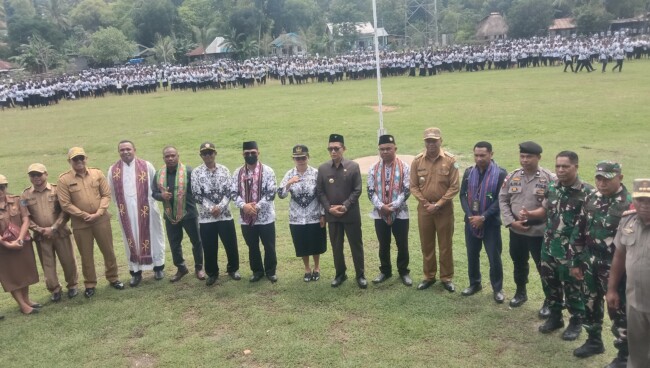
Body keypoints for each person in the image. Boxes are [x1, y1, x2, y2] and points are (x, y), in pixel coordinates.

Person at [521, 151, 592, 340]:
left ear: (575, 167)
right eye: (558, 166)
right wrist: (530, 214)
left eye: (565, 166)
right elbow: (545, 209)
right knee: (549, 284)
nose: (560, 170)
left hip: (572, 252)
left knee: (573, 288)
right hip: (550, 246)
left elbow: (589, 227)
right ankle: (555, 317)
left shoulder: (587, 192)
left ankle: (576, 321)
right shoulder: (553, 186)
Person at [569, 161, 631, 365]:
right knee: (590, 302)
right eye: (598, 178)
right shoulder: (591, 197)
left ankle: (624, 355)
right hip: (589, 261)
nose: (602, 183)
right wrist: (576, 261)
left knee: (617, 309)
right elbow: (579, 228)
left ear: (620, 178)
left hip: (615, 266)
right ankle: (594, 341)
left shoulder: (628, 204)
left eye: (607, 178)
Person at [57, 147, 124, 298]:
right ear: (70, 161)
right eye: (75, 159)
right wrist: (83, 215)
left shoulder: (97, 173)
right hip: (81, 223)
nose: (79, 161)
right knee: (86, 254)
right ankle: (90, 283)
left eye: (81, 158)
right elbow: (65, 204)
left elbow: (106, 194)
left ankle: (113, 278)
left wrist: (99, 212)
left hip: (101, 219)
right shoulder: (64, 180)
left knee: (108, 250)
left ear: (86, 158)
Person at [498, 141, 555, 315]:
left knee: (543, 267)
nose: (525, 160)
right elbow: (503, 199)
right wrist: (510, 222)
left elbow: (550, 206)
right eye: (522, 156)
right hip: (516, 230)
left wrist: (532, 216)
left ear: (538, 157)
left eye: (529, 157)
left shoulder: (548, 178)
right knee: (519, 262)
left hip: (538, 232)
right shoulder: (513, 176)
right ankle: (520, 292)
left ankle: (549, 300)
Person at [108, 140, 166, 287]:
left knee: (154, 236)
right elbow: (112, 193)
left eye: (128, 149)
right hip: (126, 211)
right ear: (118, 152)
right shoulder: (113, 170)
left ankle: (158, 267)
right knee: (131, 239)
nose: (125, 152)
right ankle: (135, 271)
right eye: (122, 150)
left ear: (134, 149)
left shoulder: (146, 166)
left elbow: (155, 187)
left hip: (147, 208)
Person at [410, 127, 459, 292]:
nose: (431, 144)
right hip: (424, 209)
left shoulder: (450, 161)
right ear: (424, 142)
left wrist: (438, 204)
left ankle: (446, 277)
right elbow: (413, 186)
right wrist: (425, 203)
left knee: (445, 245)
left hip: (444, 210)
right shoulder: (417, 161)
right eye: (428, 141)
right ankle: (428, 276)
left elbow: (454, 186)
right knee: (427, 244)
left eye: (434, 140)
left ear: (440, 141)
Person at [607, 178, 650, 368]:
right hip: (635, 301)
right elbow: (619, 256)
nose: (645, 205)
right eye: (641, 199)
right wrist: (612, 289)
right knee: (637, 351)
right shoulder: (628, 221)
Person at [21, 163, 79, 301]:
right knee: (48, 264)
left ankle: (72, 285)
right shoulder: (25, 195)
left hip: (60, 232)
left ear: (46, 174)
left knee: (68, 260)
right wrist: (40, 229)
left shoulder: (57, 190)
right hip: (41, 236)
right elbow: (25, 217)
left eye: (39, 174)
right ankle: (55, 290)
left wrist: (54, 227)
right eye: (33, 175)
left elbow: (66, 211)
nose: (36, 178)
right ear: (30, 177)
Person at [316, 134, 366, 289]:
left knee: (355, 245)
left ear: (343, 149)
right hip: (333, 216)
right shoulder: (323, 169)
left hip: (350, 214)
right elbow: (320, 191)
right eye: (330, 148)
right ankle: (340, 273)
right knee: (336, 246)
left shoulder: (353, 166)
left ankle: (360, 275)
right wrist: (329, 208)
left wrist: (345, 206)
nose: (333, 151)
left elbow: (357, 190)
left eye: (336, 148)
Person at [459, 141, 507, 302]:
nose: (479, 158)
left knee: (494, 257)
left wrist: (483, 217)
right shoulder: (468, 172)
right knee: (472, 254)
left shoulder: (500, 174)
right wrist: (470, 215)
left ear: (491, 154)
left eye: (483, 155)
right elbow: (463, 195)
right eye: (476, 155)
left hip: (491, 223)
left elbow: (501, 199)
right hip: (471, 221)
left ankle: (497, 289)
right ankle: (474, 283)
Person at [190, 142, 241, 286]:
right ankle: (212, 273)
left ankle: (233, 269)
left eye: (210, 152)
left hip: (225, 215)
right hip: (207, 218)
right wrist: (211, 208)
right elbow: (196, 194)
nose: (208, 156)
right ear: (201, 155)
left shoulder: (224, 170)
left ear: (215, 153)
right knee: (209, 247)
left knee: (230, 244)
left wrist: (220, 206)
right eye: (204, 153)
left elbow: (229, 191)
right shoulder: (196, 172)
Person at [152, 146, 205, 282]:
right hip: (170, 216)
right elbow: (154, 193)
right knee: (175, 244)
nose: (170, 158)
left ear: (178, 156)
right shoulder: (159, 174)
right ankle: (181, 268)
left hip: (189, 214)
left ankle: (199, 267)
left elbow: (197, 190)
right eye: (167, 156)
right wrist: (162, 195)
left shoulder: (188, 171)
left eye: (173, 155)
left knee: (196, 241)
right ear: (163, 158)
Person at [367, 135, 412, 287]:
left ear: (395, 149)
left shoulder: (404, 167)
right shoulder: (373, 168)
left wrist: (392, 206)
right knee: (383, 243)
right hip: (380, 214)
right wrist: (381, 206)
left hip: (400, 213)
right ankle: (385, 271)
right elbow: (370, 191)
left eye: (388, 149)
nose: (385, 152)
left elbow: (407, 190)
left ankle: (404, 271)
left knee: (402, 243)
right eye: (382, 149)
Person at [278, 144, 327, 282]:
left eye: (303, 157)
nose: (300, 160)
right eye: (297, 158)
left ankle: (316, 267)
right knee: (302, 244)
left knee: (315, 243)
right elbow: (281, 194)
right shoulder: (289, 174)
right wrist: (288, 183)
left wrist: (323, 214)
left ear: (308, 157)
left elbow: (322, 195)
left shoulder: (316, 173)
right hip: (297, 217)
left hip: (314, 215)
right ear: (293, 159)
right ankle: (306, 268)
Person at [231, 141, 278, 282]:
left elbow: (271, 193)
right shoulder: (238, 172)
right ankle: (257, 271)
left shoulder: (268, 171)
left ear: (258, 153)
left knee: (269, 245)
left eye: (253, 152)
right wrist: (244, 206)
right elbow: (233, 193)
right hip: (246, 217)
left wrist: (256, 207)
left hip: (265, 216)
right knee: (252, 245)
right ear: (243, 154)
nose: (250, 155)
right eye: (247, 153)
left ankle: (271, 271)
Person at [0, 174, 40, 314]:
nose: (0, 190)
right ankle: (23, 305)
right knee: (12, 275)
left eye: (2, 187)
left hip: (22, 242)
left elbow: (26, 219)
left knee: (24, 271)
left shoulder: (18, 200)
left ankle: (27, 299)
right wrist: (7, 244)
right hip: (3, 248)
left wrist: (20, 238)